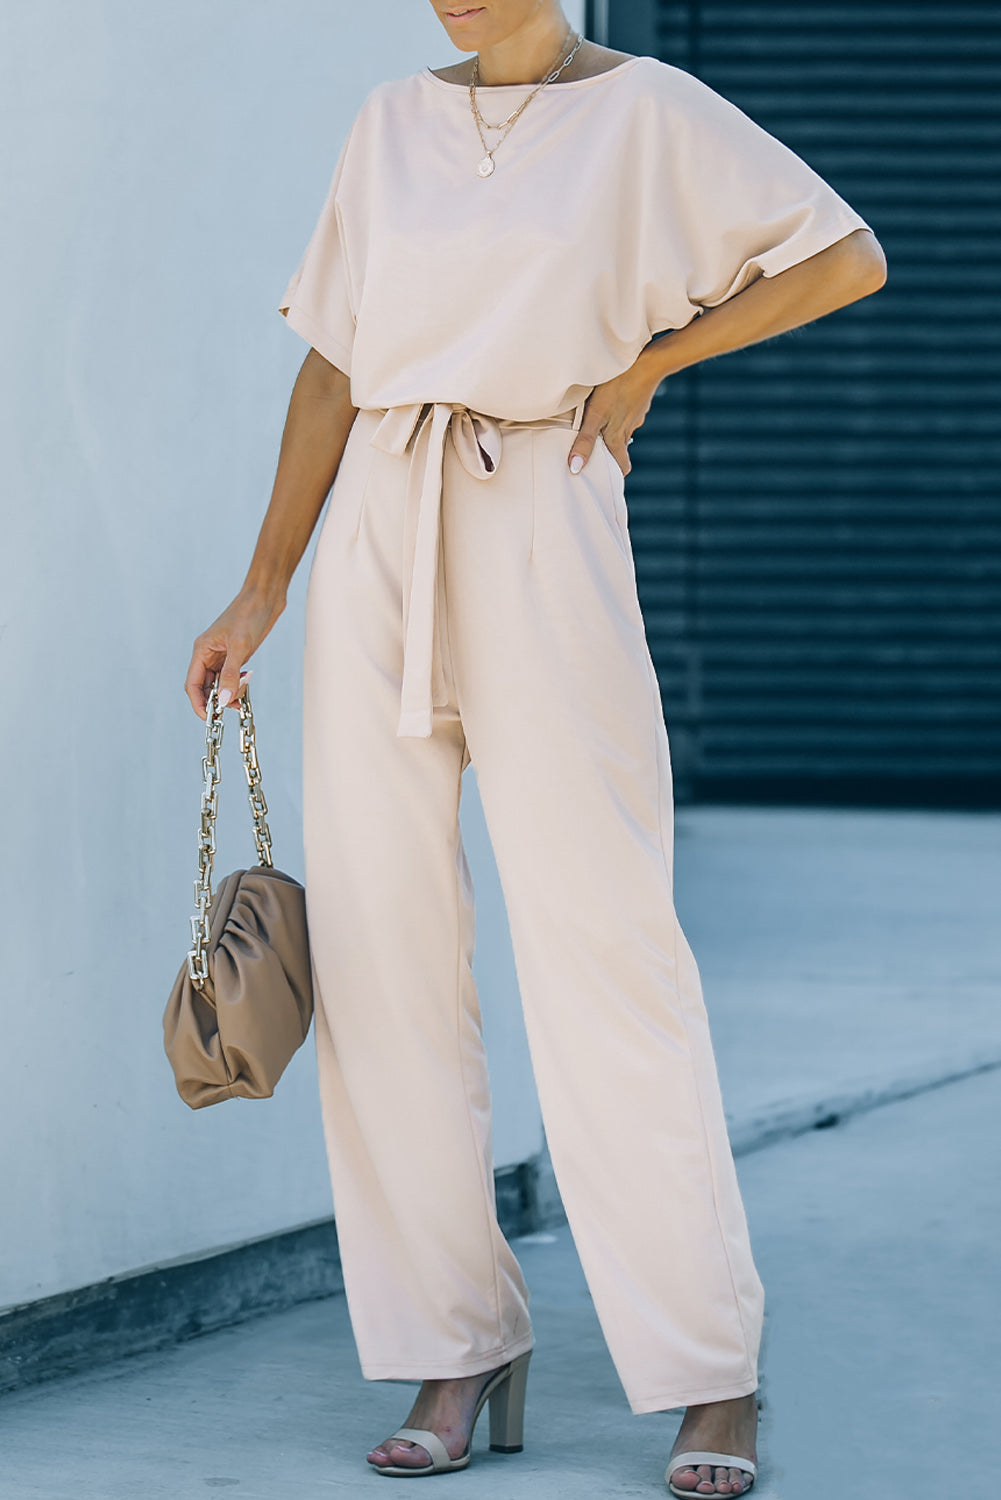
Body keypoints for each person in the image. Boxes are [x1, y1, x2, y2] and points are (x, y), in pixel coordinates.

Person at [185, 2, 887, 1493]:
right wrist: (264, 586)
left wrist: (653, 365)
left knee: (605, 941)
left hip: (541, 512)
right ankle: (455, 1341)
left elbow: (844, 257)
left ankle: (709, 1369)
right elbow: (332, 365)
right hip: (377, 527)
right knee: (378, 954)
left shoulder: (649, 111)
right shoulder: (390, 120)